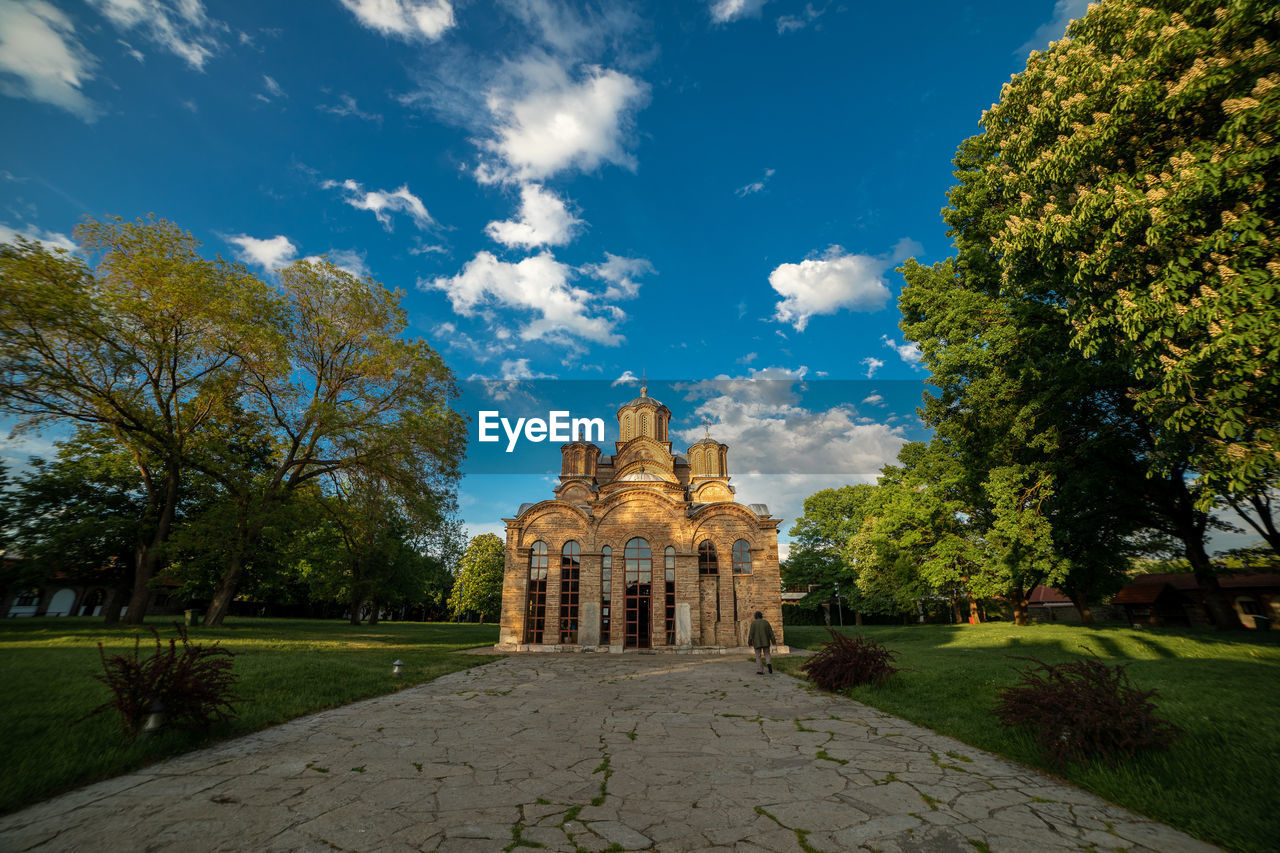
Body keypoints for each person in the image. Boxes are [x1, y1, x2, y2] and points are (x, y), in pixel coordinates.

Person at [748, 610, 776, 674]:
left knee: (758, 656)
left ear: (755, 616)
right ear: (761, 616)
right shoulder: (766, 622)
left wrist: (749, 642)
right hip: (766, 641)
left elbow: (751, 634)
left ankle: (760, 670)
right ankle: (768, 663)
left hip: (757, 642)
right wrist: (773, 642)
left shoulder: (753, 623)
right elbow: (771, 633)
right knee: (767, 654)